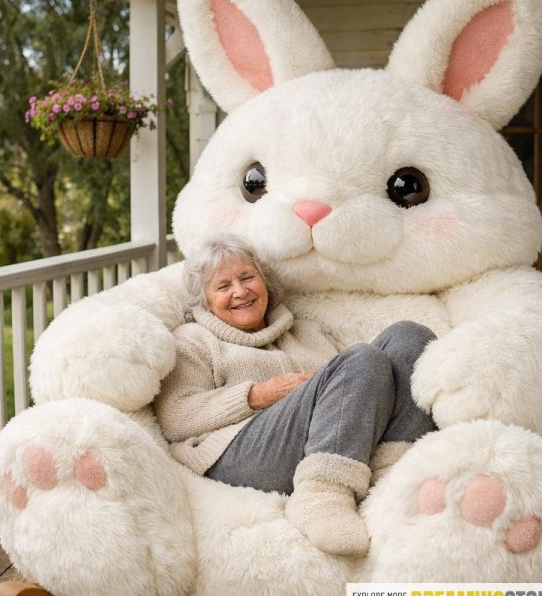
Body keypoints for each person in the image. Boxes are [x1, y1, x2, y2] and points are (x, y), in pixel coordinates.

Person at [154, 235, 436, 557]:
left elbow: (352, 392)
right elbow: (175, 416)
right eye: (223, 286)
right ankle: (320, 494)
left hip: (312, 442)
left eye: (247, 278)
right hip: (238, 453)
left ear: (265, 283)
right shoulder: (194, 341)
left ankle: (389, 470)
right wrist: (256, 395)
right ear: (204, 300)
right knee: (361, 358)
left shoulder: (304, 332)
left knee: (409, 337)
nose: (240, 291)